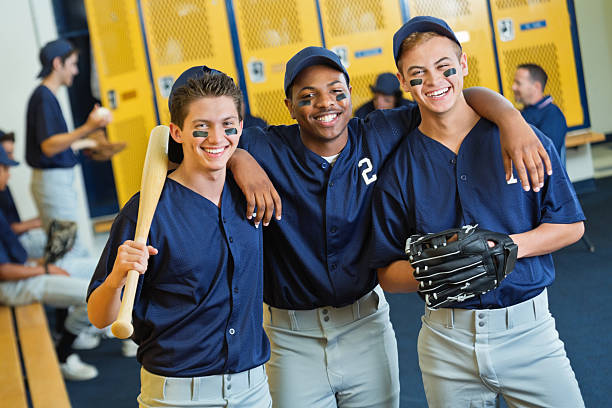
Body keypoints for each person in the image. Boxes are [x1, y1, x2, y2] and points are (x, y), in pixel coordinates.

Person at [230, 44, 552, 407]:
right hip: (290, 337)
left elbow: (458, 95)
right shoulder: (265, 147)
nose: (326, 104)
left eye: (337, 92)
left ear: (351, 95)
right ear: (288, 105)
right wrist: (239, 158)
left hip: (364, 325)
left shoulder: (378, 132)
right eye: (308, 96)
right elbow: (187, 142)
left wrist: (511, 118)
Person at [369, 16, 585, 407]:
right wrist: (438, 268)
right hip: (446, 342)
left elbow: (570, 226)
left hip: (529, 331)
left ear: (463, 64)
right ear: (403, 81)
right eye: (417, 73)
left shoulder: (522, 139)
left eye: (444, 67)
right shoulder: (398, 168)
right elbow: (386, 274)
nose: (434, 82)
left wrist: (501, 247)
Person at [87, 66, 272, 407]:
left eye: (228, 126)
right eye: (201, 129)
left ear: (240, 128)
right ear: (176, 132)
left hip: (254, 389)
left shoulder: (252, 195)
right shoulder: (146, 212)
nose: (217, 139)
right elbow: (100, 318)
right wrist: (115, 278)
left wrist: (242, 157)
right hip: (178, 396)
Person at [0, 143, 99, 381]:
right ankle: (63, 355)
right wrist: (46, 268)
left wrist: (40, 263)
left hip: (22, 272)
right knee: (92, 296)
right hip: (10, 286)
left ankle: (66, 332)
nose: (9, 173)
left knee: (91, 271)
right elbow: (4, 271)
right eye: (5, 167)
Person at [25, 39, 111, 259]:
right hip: (53, 184)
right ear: (57, 64)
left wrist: (89, 142)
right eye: (72, 64)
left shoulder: (46, 97)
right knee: (66, 251)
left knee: (71, 247)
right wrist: (88, 127)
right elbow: (49, 146)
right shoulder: (44, 97)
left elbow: (57, 141)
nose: (76, 70)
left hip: (56, 183)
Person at [0, 129, 46, 259]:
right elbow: (9, 230)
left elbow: (14, 225)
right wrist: (39, 222)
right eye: (7, 153)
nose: (11, 158)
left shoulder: (4, 186)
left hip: (21, 240)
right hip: (17, 245)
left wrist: (42, 219)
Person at [512, 63, 568, 163]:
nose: (513, 87)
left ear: (536, 86)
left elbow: (546, 154)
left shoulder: (552, 115)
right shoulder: (522, 113)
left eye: (518, 83)